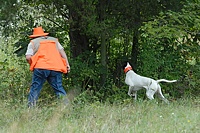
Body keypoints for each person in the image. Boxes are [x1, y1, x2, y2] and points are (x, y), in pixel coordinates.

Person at [25, 26, 70, 107]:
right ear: (43, 34)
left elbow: (28, 57)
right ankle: (66, 107)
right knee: (59, 88)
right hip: (56, 67)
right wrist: (67, 64)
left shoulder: (33, 42)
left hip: (40, 67)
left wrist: (32, 64)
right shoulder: (54, 40)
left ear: (34, 36)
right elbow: (62, 52)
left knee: (35, 88)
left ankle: (31, 109)